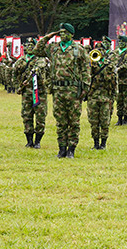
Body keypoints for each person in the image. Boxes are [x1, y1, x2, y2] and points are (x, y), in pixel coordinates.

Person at [32, 23, 90, 158]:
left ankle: (71, 149)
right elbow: (37, 50)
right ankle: (62, 148)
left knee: (73, 121)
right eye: (61, 32)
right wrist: (48, 37)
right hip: (58, 89)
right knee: (60, 121)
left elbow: (86, 69)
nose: (62, 35)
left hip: (73, 89)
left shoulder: (78, 49)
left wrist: (85, 88)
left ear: (71, 34)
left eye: (65, 32)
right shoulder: (54, 48)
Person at [13, 37, 50, 149]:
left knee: (40, 116)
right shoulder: (21, 60)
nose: (29, 47)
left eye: (32, 45)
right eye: (27, 45)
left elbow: (49, 75)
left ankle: (37, 141)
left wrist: (46, 84)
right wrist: (17, 86)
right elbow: (14, 74)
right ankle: (29, 141)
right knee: (27, 116)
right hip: (26, 93)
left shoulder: (42, 60)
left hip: (39, 92)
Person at [87, 38, 116, 148]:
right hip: (93, 97)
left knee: (104, 121)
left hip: (105, 96)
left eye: (101, 49)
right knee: (93, 121)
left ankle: (103, 143)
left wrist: (113, 95)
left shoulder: (109, 65)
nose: (99, 51)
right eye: (97, 49)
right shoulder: (90, 64)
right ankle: (95, 143)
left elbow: (114, 81)